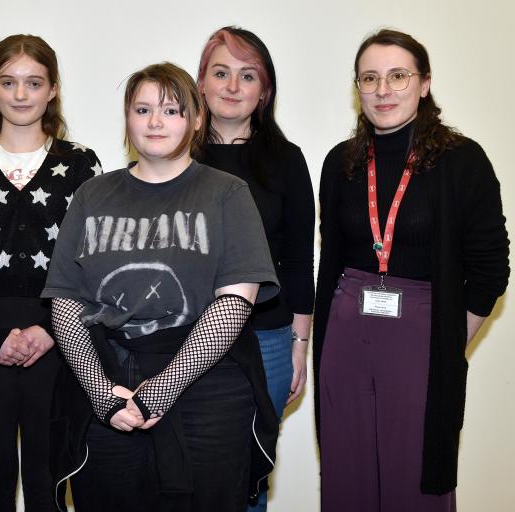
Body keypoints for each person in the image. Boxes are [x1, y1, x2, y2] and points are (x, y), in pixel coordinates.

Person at [42, 62, 281, 512]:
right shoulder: (92, 195)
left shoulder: (227, 193)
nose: (155, 122)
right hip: (107, 386)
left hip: (208, 391)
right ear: (127, 118)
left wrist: (162, 389)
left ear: (196, 119)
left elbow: (235, 301)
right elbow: (66, 303)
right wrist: (100, 392)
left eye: (171, 110)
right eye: (143, 109)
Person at [314, 29, 509, 512]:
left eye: (398, 76)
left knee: (416, 478)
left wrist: (448, 336)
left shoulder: (463, 161)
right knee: (346, 472)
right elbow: (331, 256)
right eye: (370, 78)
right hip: (345, 328)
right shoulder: (341, 162)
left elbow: (491, 267)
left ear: (424, 84)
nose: (383, 90)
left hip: (423, 329)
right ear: (357, 88)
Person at [0, 34, 101, 512]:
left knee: (50, 482)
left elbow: (95, 265)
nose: (21, 95)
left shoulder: (81, 165)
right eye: (9, 82)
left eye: (34, 83)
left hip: (61, 340)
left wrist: (51, 331)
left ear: (53, 89)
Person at [196, 26, 315, 511]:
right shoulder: (175, 156)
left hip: (265, 339)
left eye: (247, 76)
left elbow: (299, 261)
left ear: (263, 90)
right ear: (200, 81)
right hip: (184, 337)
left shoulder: (287, 161)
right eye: (220, 73)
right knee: (185, 470)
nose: (231, 86)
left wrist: (298, 347)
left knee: (250, 474)